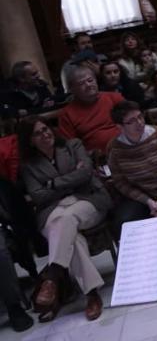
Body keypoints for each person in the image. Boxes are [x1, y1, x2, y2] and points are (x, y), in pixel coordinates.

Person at [18, 120, 111, 323]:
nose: (45, 134)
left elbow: (86, 172)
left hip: (88, 200)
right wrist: (71, 179)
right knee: (72, 236)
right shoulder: (28, 166)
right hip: (52, 210)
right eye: (38, 134)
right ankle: (91, 294)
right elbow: (37, 196)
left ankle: (53, 277)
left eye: (45, 129)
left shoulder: (73, 145)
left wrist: (52, 184)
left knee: (66, 220)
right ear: (30, 141)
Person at [106, 101, 157, 234]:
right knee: (123, 223)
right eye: (131, 121)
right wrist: (148, 201)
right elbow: (120, 182)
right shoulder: (114, 148)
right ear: (120, 127)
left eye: (140, 117)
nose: (139, 123)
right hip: (140, 195)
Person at [57, 66, 123, 155]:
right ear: (72, 90)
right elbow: (70, 148)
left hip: (126, 149)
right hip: (97, 160)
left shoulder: (114, 98)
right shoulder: (66, 114)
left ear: (96, 81)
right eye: (81, 83)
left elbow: (133, 123)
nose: (88, 85)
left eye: (90, 80)